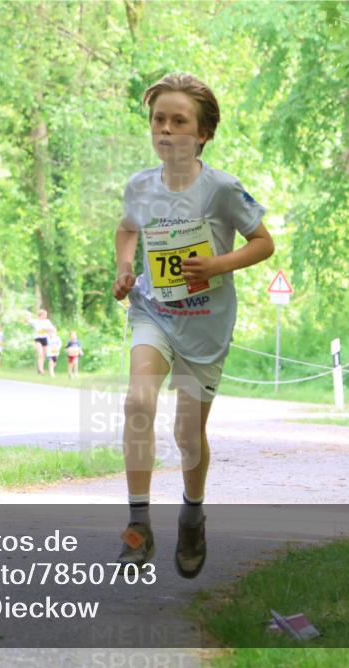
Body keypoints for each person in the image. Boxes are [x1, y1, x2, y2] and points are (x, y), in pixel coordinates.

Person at [111, 73, 274, 578]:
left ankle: (192, 514)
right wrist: (123, 268)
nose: (166, 129)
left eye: (179, 121)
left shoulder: (222, 188)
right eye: (159, 119)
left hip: (205, 322)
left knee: (188, 432)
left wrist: (217, 266)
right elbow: (126, 230)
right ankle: (138, 526)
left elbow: (263, 243)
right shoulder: (140, 184)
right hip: (153, 311)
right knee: (138, 402)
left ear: (202, 133)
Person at [28, 308, 54, 374]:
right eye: (44, 315)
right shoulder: (35, 321)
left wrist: (49, 332)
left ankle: (40, 368)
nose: (45, 316)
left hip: (44, 339)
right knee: (40, 353)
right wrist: (27, 316)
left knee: (44, 355)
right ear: (40, 315)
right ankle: (40, 370)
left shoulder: (47, 321)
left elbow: (52, 329)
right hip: (38, 339)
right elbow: (28, 321)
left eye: (46, 315)